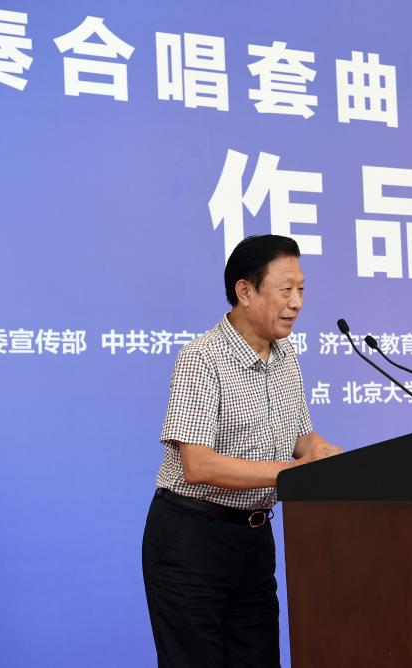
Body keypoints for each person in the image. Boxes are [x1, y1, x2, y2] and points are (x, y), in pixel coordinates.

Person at [142, 234, 341, 667]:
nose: (296, 303)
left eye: (301, 289)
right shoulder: (202, 358)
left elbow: (300, 437)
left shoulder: (285, 356)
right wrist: (292, 473)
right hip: (192, 539)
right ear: (245, 291)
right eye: (285, 289)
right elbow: (197, 465)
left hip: (253, 540)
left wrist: (328, 455)